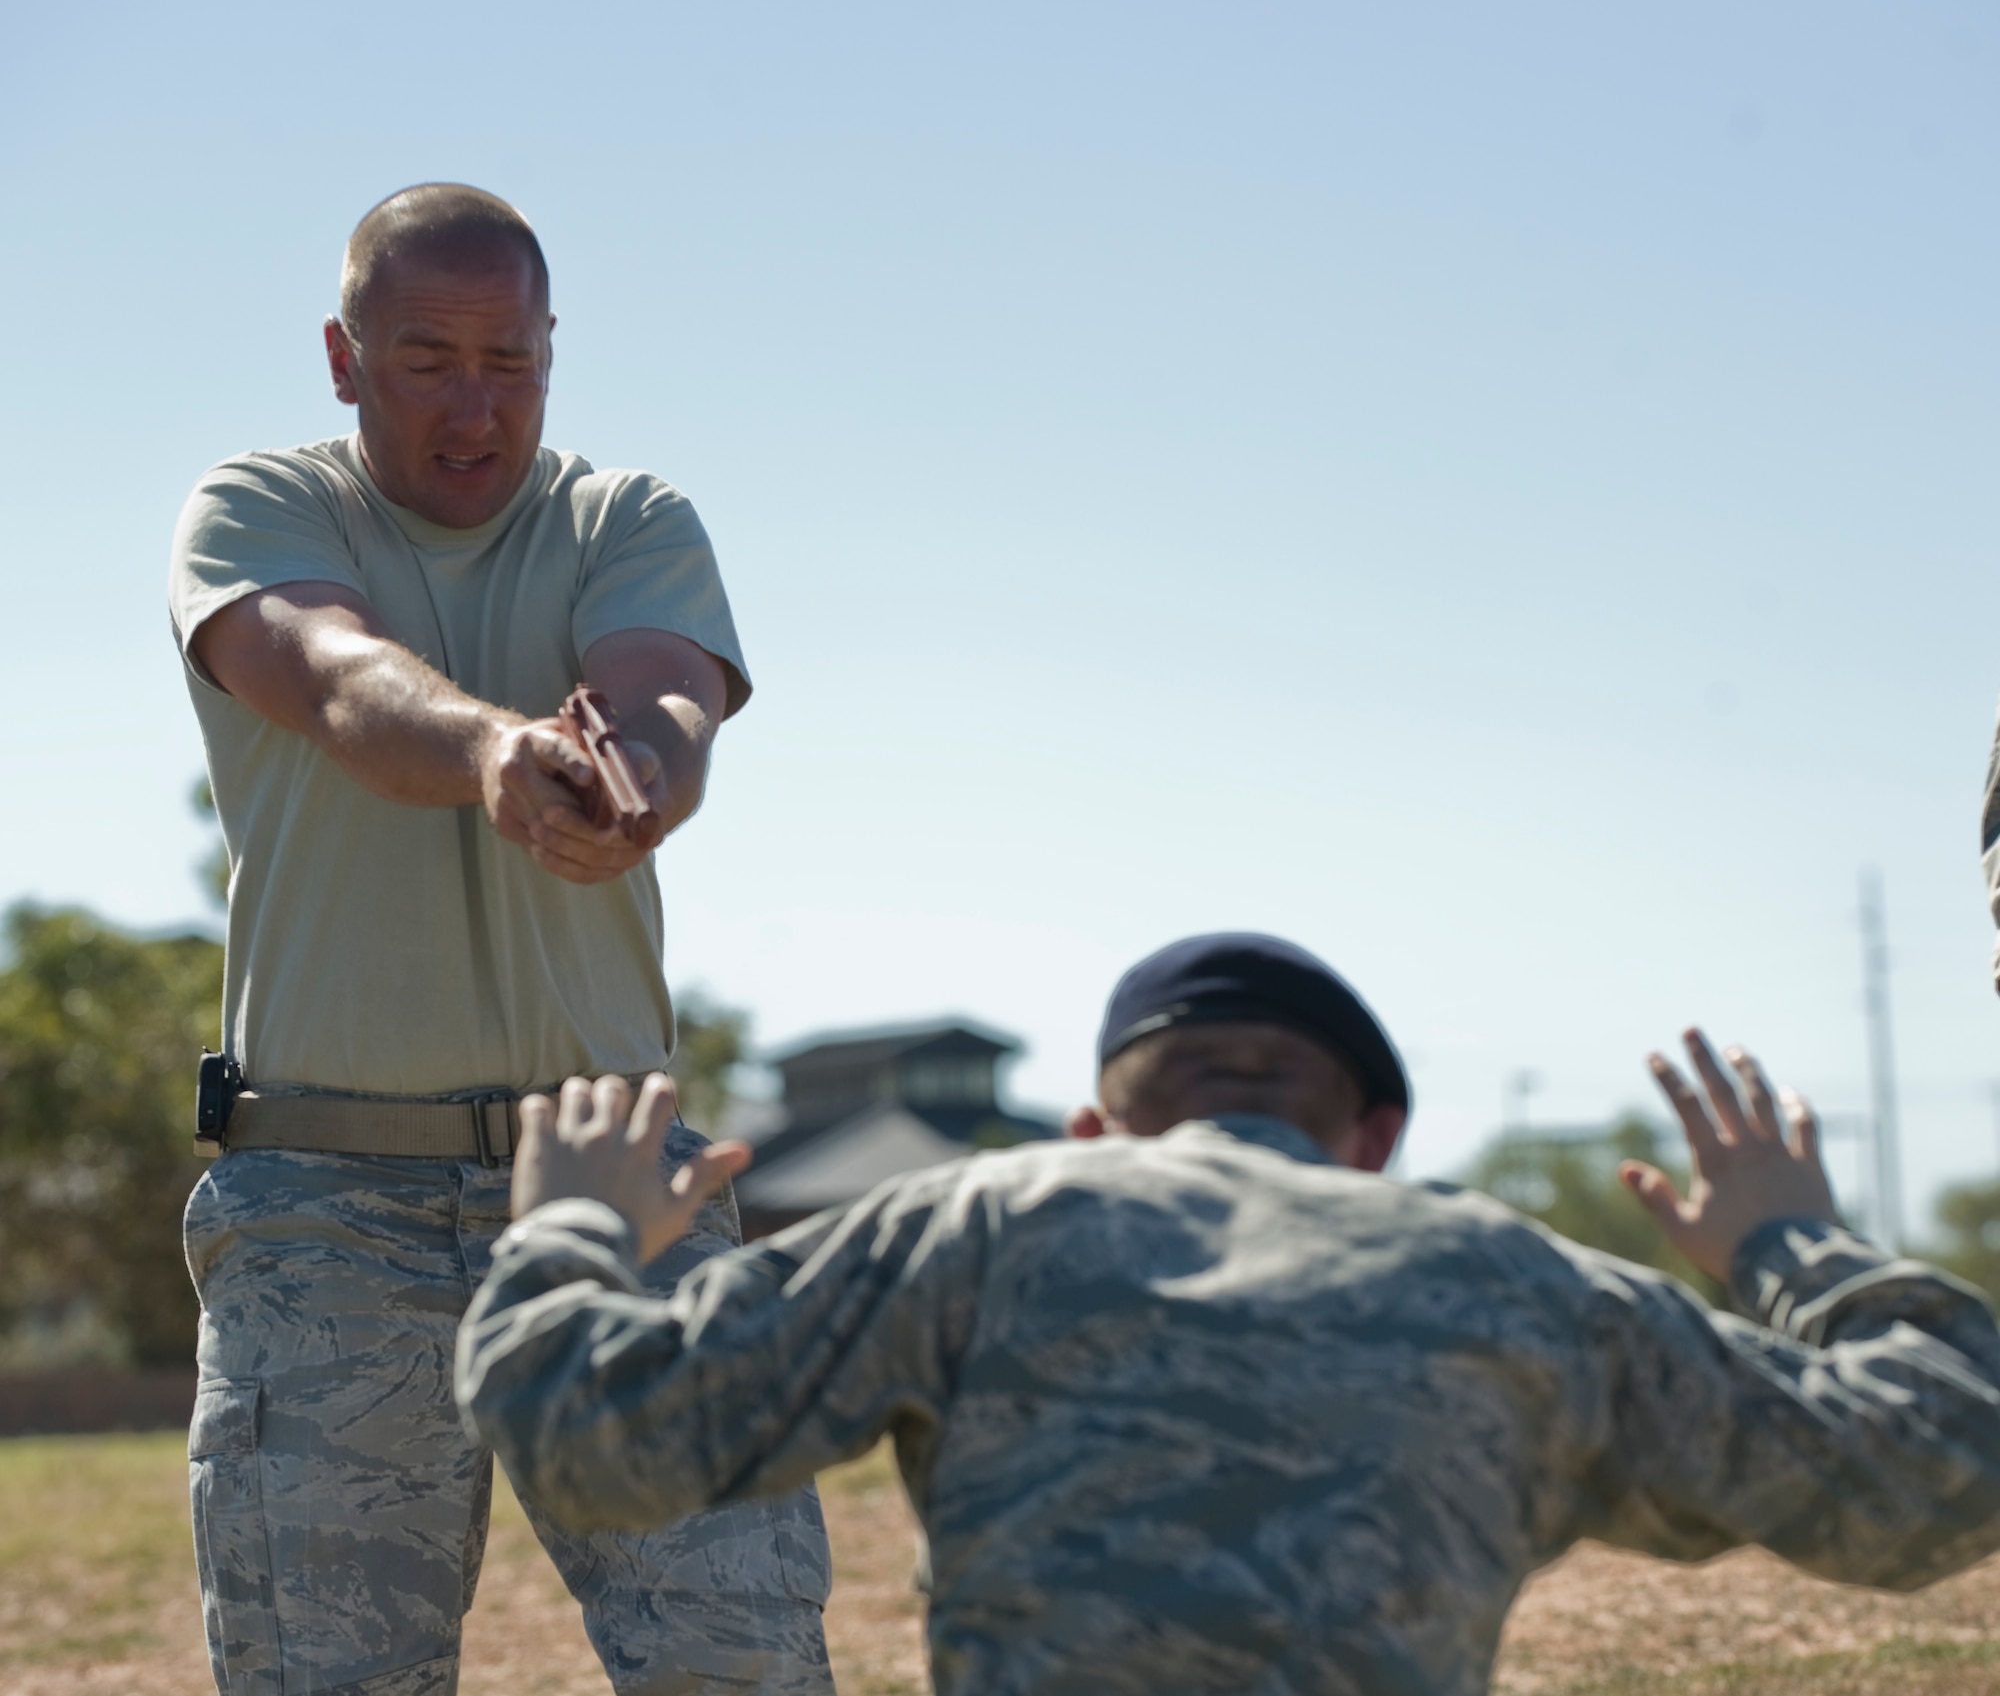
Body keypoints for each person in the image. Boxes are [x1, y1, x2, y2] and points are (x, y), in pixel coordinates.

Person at [458, 932, 2000, 1696]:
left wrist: (576, 1217)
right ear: (1379, 1135)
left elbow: (584, 1435)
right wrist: (1795, 1244)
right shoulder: (1509, 1275)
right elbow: (1941, 1474)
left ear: (1095, 1132)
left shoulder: (993, 1219)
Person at [169, 183, 832, 1696]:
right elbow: (334, 678)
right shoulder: (260, 509)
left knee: (743, 1654)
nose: (476, 407)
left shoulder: (625, 519)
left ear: (552, 352)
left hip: (622, 1191)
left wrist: (639, 780)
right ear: (344, 358)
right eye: (427, 360)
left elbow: (665, 688)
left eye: (510, 361)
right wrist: (491, 754)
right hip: (330, 1205)